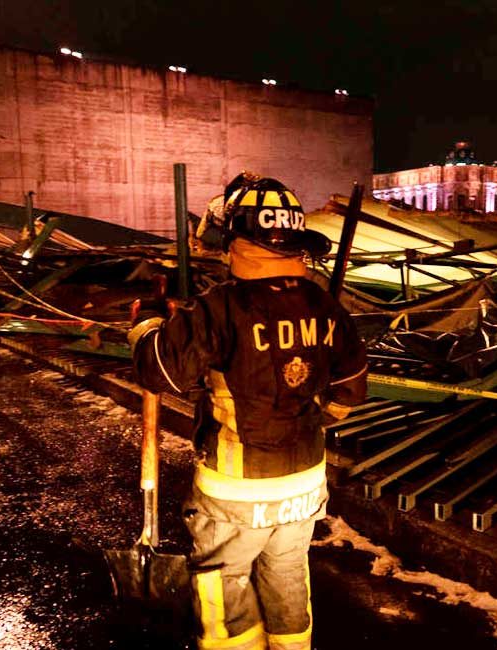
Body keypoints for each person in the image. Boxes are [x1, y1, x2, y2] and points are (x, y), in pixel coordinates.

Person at [130, 174, 368, 650]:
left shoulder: (221, 306)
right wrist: (317, 422)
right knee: (286, 574)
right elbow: (351, 386)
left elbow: (158, 371)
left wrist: (147, 323)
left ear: (235, 237)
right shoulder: (324, 303)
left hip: (236, 487)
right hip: (304, 482)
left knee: (223, 582)